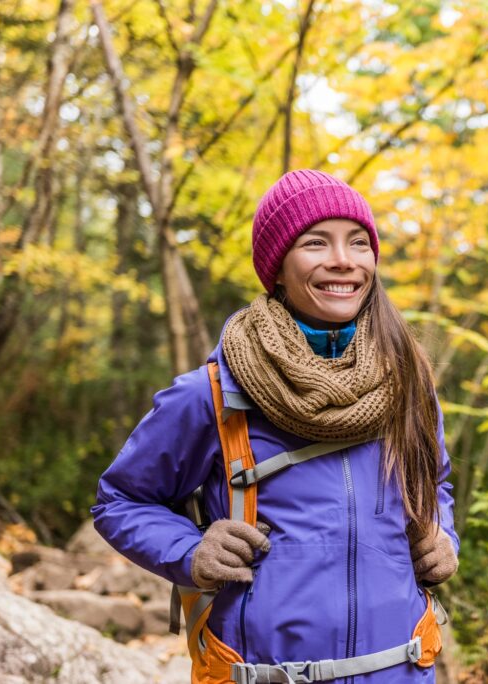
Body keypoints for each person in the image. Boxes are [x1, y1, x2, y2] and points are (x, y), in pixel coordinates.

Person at [92, 170, 459, 683]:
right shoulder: (214, 393)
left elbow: (434, 484)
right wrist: (190, 550)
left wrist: (444, 535)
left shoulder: (408, 385)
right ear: (278, 268)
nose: (344, 260)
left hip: (400, 670)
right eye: (316, 242)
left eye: (358, 242)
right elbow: (121, 501)